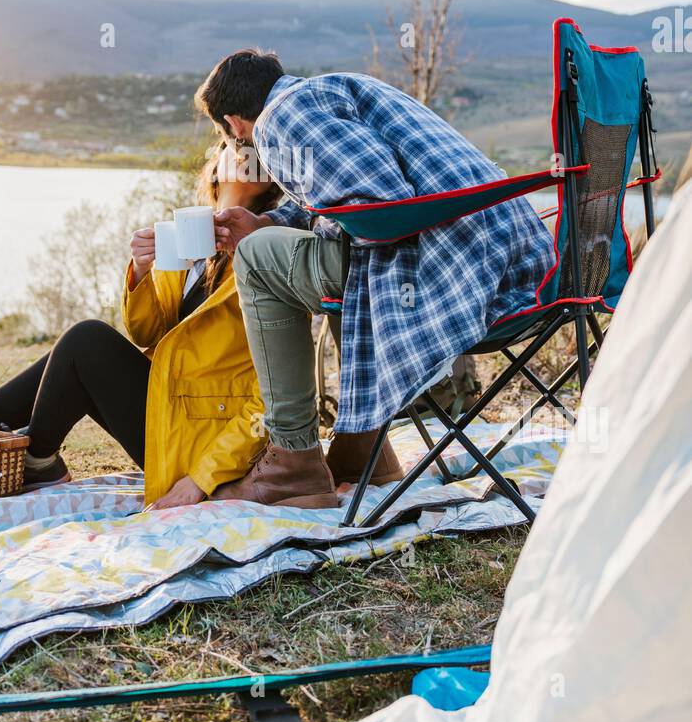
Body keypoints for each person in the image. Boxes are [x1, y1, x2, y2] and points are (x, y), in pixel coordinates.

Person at [201, 49, 556, 507]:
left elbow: (380, 200)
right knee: (285, 250)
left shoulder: (278, 120)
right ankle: (366, 451)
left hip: (445, 267)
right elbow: (345, 196)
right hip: (508, 260)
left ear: (233, 123)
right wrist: (269, 223)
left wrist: (265, 239)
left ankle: (293, 464)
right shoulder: (330, 90)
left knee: (255, 259)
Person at [0, 144, 280, 507]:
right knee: (75, 354)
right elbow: (148, 335)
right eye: (235, 146)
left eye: (256, 150)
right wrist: (142, 272)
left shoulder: (269, 247)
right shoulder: (191, 238)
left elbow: (273, 393)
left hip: (202, 441)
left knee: (86, 342)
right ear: (214, 165)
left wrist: (201, 478)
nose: (245, 155)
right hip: (170, 408)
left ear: (273, 173)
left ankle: (22, 455)